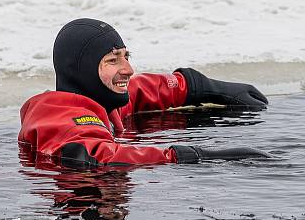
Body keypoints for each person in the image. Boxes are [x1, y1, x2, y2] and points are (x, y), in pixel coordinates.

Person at [19, 18, 269, 167]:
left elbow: (139, 90)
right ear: (81, 71)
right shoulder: (60, 119)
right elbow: (100, 155)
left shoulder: (98, 103)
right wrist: (188, 156)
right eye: (113, 60)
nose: (128, 69)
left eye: (127, 57)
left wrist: (199, 87)